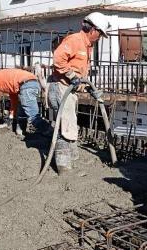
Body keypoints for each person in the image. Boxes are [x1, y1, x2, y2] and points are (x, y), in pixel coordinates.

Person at [47, 12, 111, 174]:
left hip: (69, 89)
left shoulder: (86, 46)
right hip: (61, 87)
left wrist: (90, 88)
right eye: (100, 34)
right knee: (65, 127)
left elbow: (80, 75)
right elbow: (58, 58)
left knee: (69, 124)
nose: (100, 38)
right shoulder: (75, 40)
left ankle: (71, 160)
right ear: (93, 30)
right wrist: (71, 76)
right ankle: (64, 168)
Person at [0, 67, 51, 136]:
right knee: (21, 110)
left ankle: (50, 131)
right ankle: (21, 131)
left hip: (26, 85)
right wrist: (11, 116)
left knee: (33, 116)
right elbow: (14, 100)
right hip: (33, 83)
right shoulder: (4, 77)